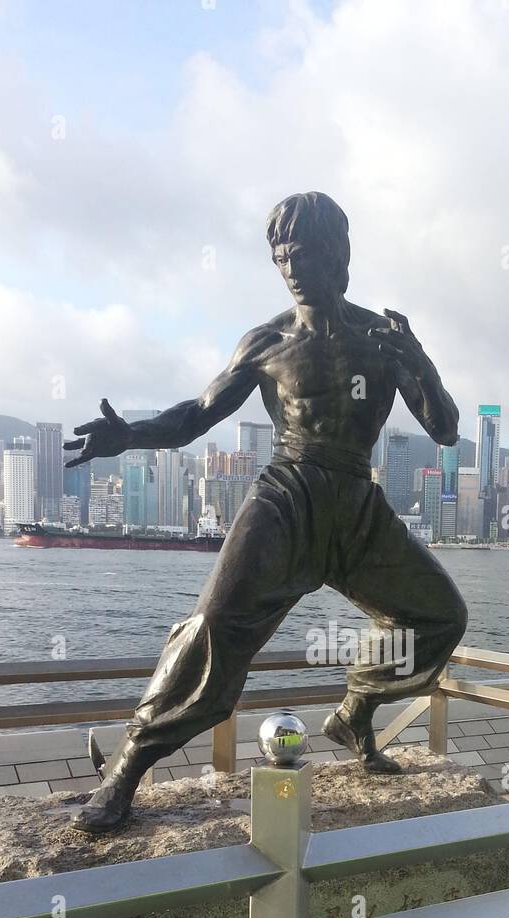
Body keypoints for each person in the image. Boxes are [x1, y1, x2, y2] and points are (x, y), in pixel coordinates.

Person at [64, 191, 468, 832]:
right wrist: (130, 436)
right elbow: (196, 416)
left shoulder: (381, 341)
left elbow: (445, 430)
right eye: (281, 258)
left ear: (340, 256)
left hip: (356, 506)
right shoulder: (266, 342)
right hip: (287, 496)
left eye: (303, 254)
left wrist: (418, 358)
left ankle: (357, 709)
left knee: (440, 615)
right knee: (214, 627)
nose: (291, 269)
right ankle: (125, 771)